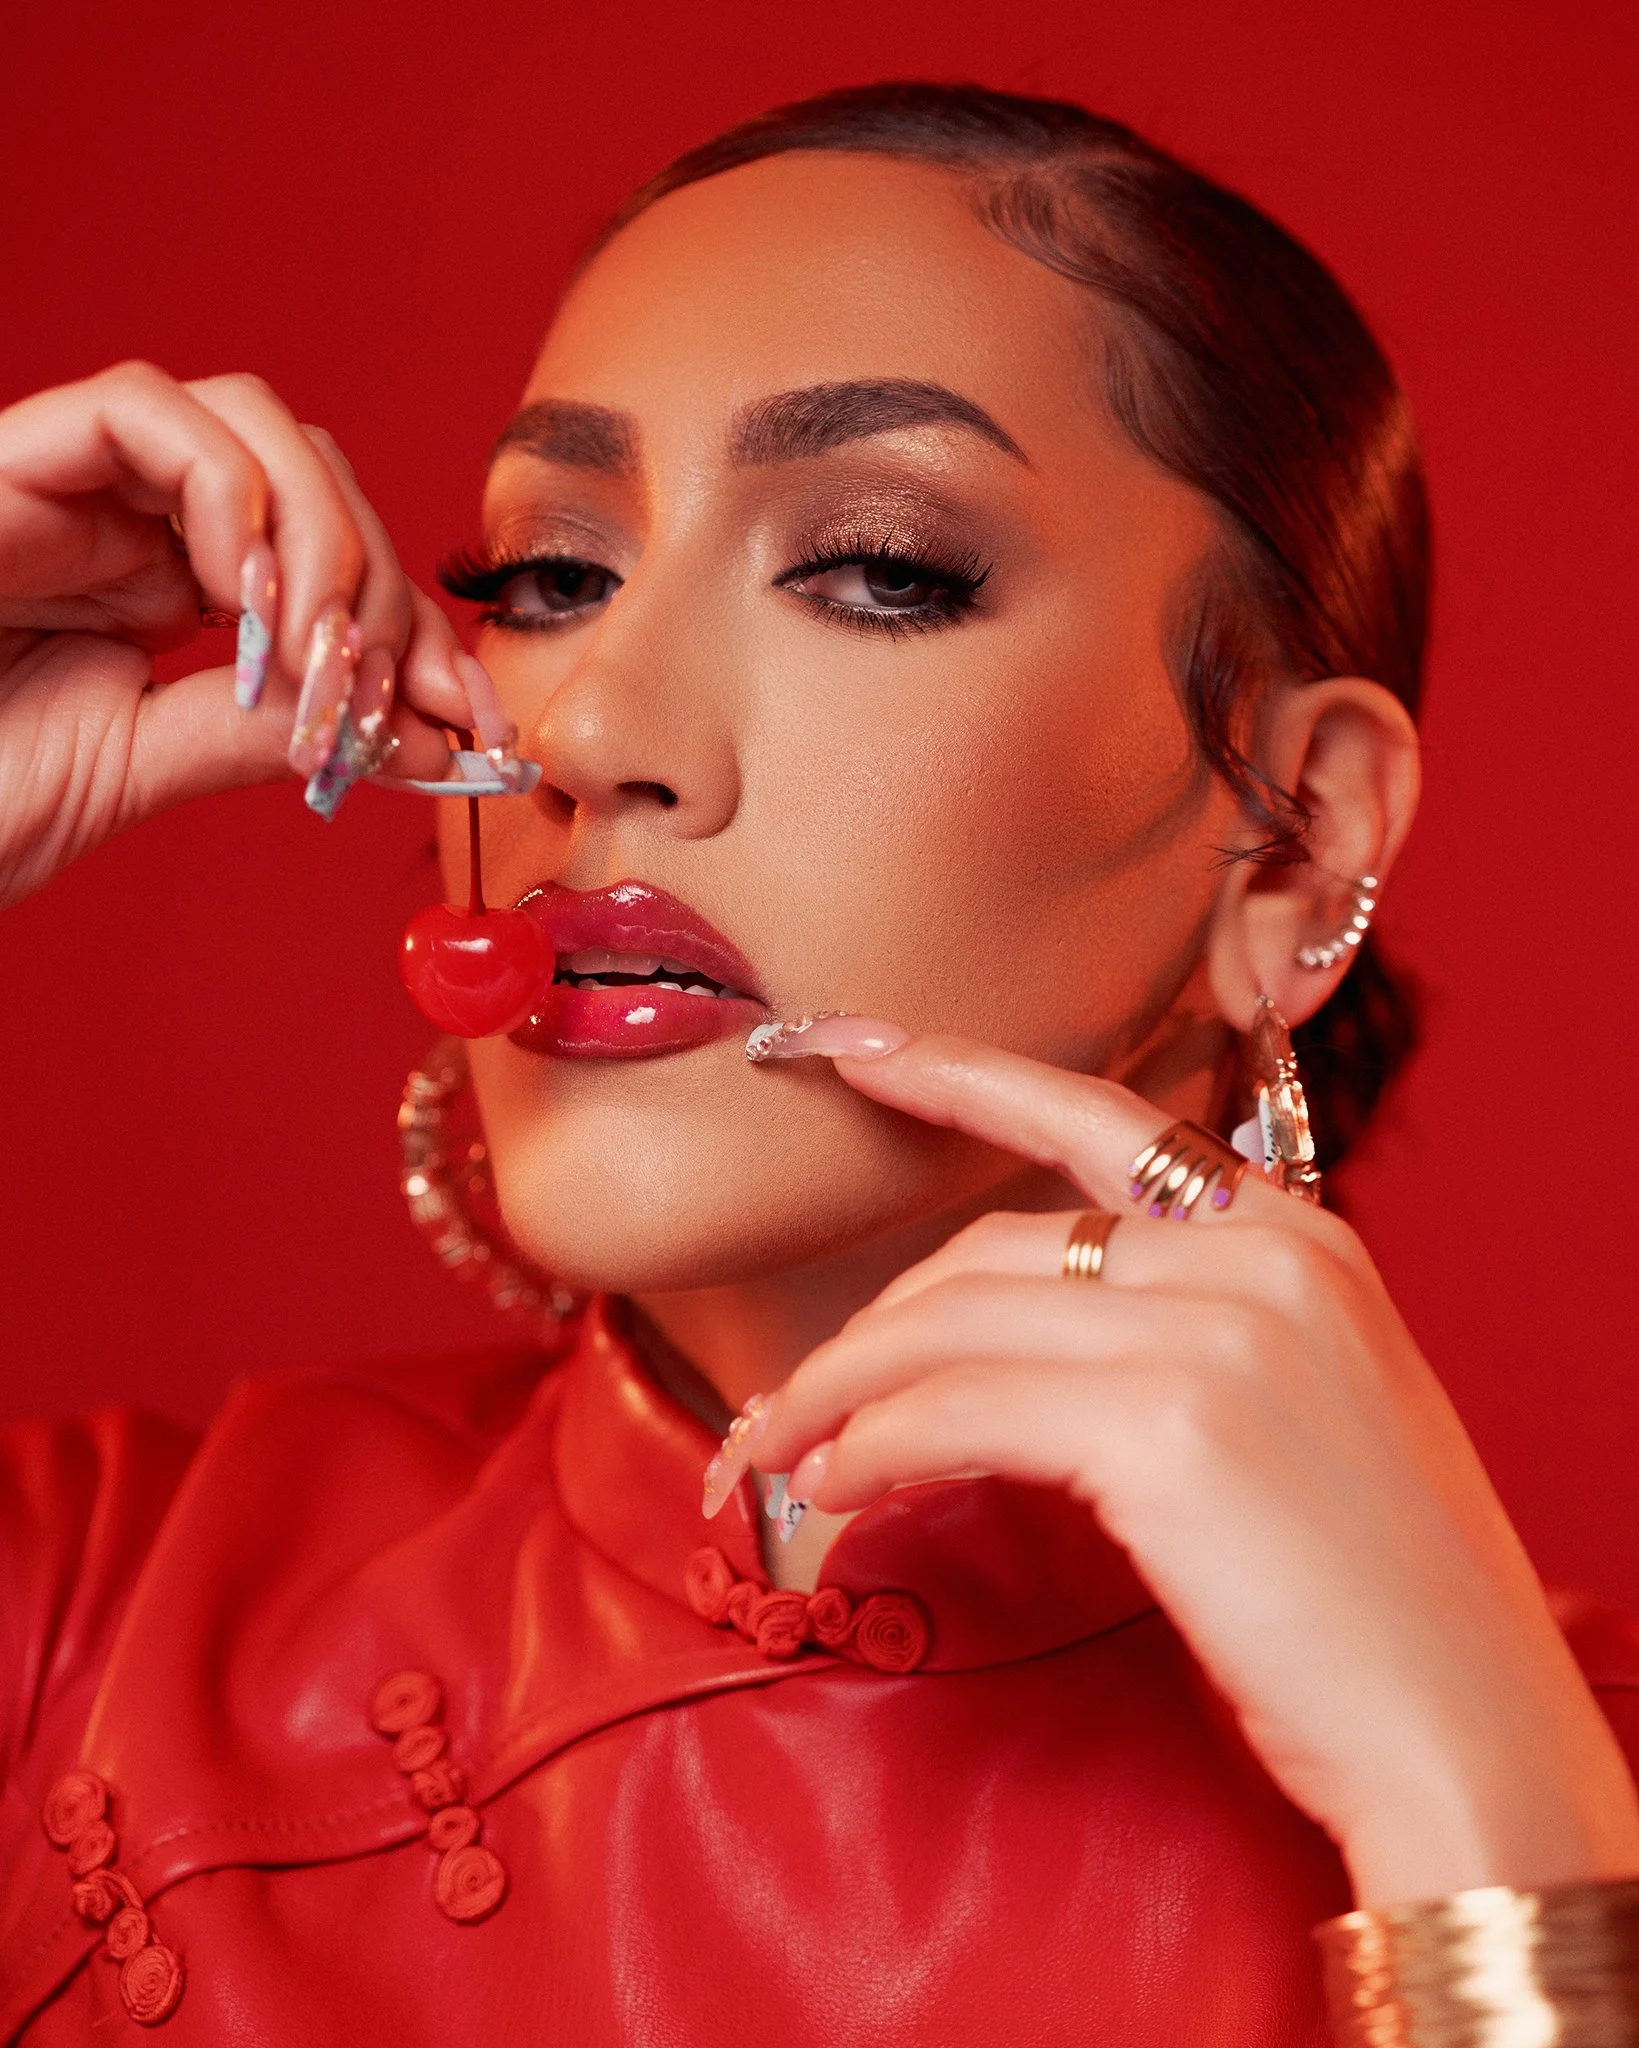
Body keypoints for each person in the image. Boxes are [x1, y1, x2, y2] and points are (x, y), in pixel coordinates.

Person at [2, 81, 1636, 2046]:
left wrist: (1503, 1863)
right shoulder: (75, 1628)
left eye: (875, 566)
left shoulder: (1574, 1792)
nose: (594, 720)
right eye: (546, 576)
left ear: (1290, 836)